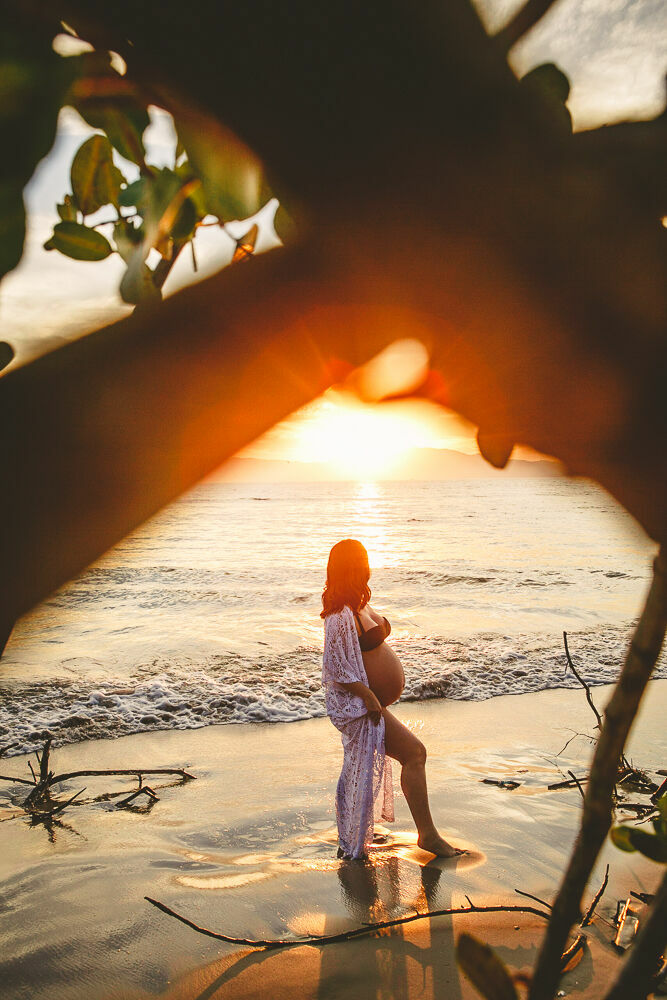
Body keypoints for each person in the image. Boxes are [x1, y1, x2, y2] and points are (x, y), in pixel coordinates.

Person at [321, 538, 464, 860]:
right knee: (410, 754)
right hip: (359, 707)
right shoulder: (339, 614)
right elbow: (334, 665)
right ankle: (424, 837)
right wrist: (369, 696)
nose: (365, 567)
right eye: (360, 562)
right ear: (349, 567)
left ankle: (420, 834)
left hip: (371, 704)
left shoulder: (358, 604)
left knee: (406, 756)